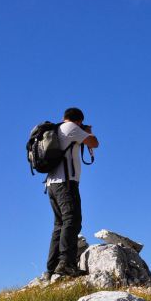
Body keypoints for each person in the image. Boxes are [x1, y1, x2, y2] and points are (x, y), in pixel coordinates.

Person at [43, 107, 99, 278]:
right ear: (79, 120)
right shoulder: (72, 128)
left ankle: (52, 268)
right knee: (72, 220)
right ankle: (66, 264)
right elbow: (95, 143)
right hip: (66, 182)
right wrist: (87, 132)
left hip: (51, 184)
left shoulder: (58, 129)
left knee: (59, 224)